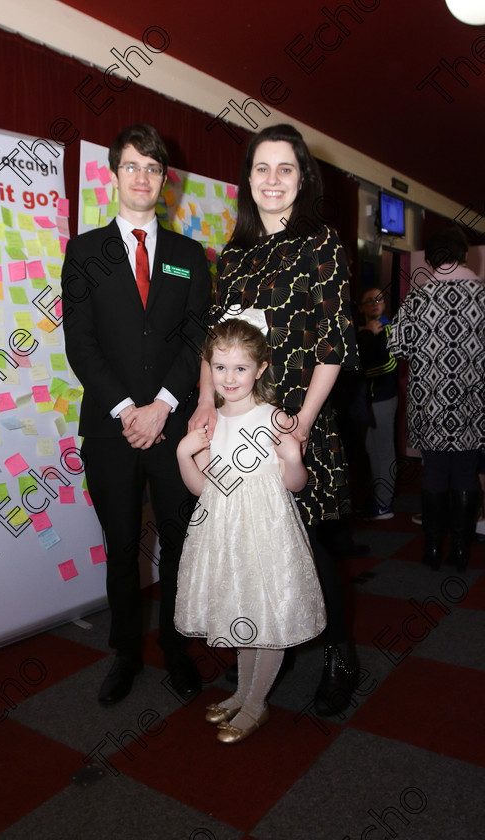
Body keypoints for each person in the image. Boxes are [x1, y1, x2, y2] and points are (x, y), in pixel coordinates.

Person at [190, 123, 360, 716]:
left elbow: (335, 344)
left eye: (285, 168)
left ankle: (339, 654)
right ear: (248, 179)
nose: (272, 180)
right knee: (250, 549)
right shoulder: (233, 254)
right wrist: (205, 401)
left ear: (302, 178)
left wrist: (305, 422)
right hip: (239, 427)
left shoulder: (323, 243)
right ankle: (256, 666)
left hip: (295, 425)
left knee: (305, 548)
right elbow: (216, 344)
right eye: (261, 168)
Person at [61, 124, 211, 704]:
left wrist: (163, 406)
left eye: (152, 167)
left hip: (174, 429)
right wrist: (129, 410)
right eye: (132, 166)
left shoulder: (187, 255)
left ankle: (175, 649)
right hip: (110, 427)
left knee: (177, 543)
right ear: (114, 175)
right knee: (121, 546)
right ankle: (126, 653)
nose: (142, 177)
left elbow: (197, 333)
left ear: (164, 179)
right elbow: (82, 344)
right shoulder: (84, 252)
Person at [175, 318, 326, 743]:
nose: (229, 378)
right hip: (224, 535)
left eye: (240, 368)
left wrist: (293, 457)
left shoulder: (272, 417)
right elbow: (203, 487)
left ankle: (257, 703)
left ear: (260, 369)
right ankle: (242, 691)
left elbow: (295, 485)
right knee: (243, 608)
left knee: (269, 612)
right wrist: (185, 458)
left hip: (268, 534)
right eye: (220, 367)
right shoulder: (208, 421)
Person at [388, 227, 485, 570]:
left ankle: (431, 549)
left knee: (434, 473)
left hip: (430, 402)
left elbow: (396, 348)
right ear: (464, 255)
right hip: (473, 403)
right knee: (465, 473)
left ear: (429, 260)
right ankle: (460, 549)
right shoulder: (482, 295)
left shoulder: (417, 298)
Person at [357, 287, 398, 519]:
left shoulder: (388, 327)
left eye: (379, 299)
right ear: (361, 306)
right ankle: (378, 499)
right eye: (369, 300)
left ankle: (384, 503)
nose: (374, 303)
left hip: (382, 397)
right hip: (367, 399)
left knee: (383, 450)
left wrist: (358, 374)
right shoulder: (363, 330)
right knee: (372, 450)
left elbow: (391, 365)